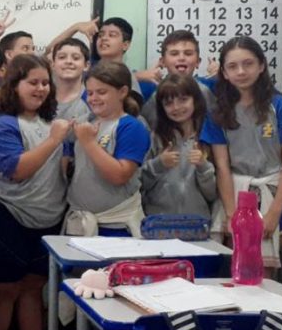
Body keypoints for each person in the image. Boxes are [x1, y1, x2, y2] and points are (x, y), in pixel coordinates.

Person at [201, 36, 282, 271]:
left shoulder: (281, 106)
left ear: (261, 66)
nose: (241, 71)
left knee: (266, 272)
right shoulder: (218, 111)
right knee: (235, 268)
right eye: (233, 66)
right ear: (224, 72)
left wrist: (274, 212)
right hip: (235, 193)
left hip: (271, 191)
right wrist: (232, 215)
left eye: (248, 63)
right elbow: (222, 165)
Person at [0, 54, 66, 330]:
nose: (41, 88)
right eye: (33, 82)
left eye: (45, 82)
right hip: (9, 217)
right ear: (14, 85)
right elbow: (16, 170)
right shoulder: (3, 124)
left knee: (33, 289)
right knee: (3, 291)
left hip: (49, 219)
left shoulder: (51, 122)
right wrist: (54, 141)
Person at [65, 61, 150, 237]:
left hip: (116, 226)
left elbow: (119, 175)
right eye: (89, 93)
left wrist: (89, 143)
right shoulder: (86, 122)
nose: (94, 98)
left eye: (101, 92)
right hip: (81, 221)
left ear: (123, 92)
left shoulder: (131, 126)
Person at [140, 74, 216, 218]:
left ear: (196, 100)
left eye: (183, 100)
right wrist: (159, 164)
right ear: (162, 108)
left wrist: (203, 167)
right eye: (168, 103)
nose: (176, 107)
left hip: (197, 223)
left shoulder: (207, 138)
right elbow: (140, 183)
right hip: (158, 221)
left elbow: (212, 194)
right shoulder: (156, 137)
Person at [140, 30, 217, 129]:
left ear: (198, 62)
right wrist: (138, 76)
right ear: (162, 62)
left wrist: (224, 74)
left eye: (188, 53)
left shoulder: (209, 87)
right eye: (174, 53)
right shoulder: (149, 88)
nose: (181, 58)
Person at [52, 38, 91, 123]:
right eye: (62, 57)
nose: (68, 61)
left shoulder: (92, 100)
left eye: (76, 58)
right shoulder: (42, 96)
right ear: (53, 64)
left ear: (86, 65)